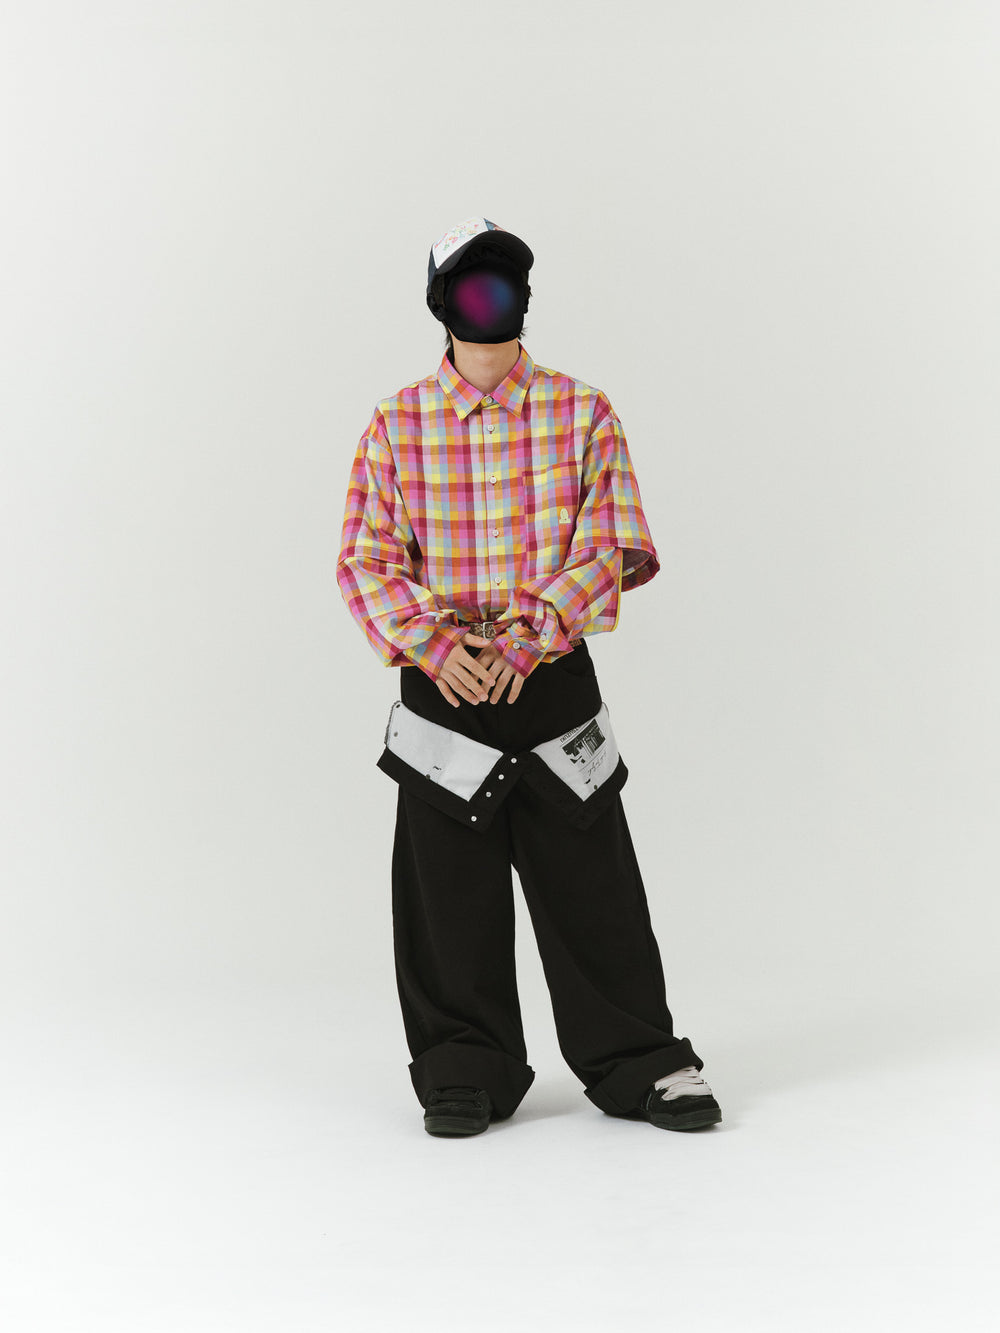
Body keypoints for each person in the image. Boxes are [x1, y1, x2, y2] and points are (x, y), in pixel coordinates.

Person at [337, 216, 722, 1138]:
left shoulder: (583, 412)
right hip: (445, 689)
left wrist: (531, 635)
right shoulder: (396, 424)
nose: (491, 298)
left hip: (547, 679)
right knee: (447, 891)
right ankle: (462, 1065)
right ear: (442, 302)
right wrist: (438, 647)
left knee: (592, 880)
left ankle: (641, 1059)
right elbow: (365, 561)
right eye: (473, 284)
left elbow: (611, 544)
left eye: (505, 281)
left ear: (524, 295)